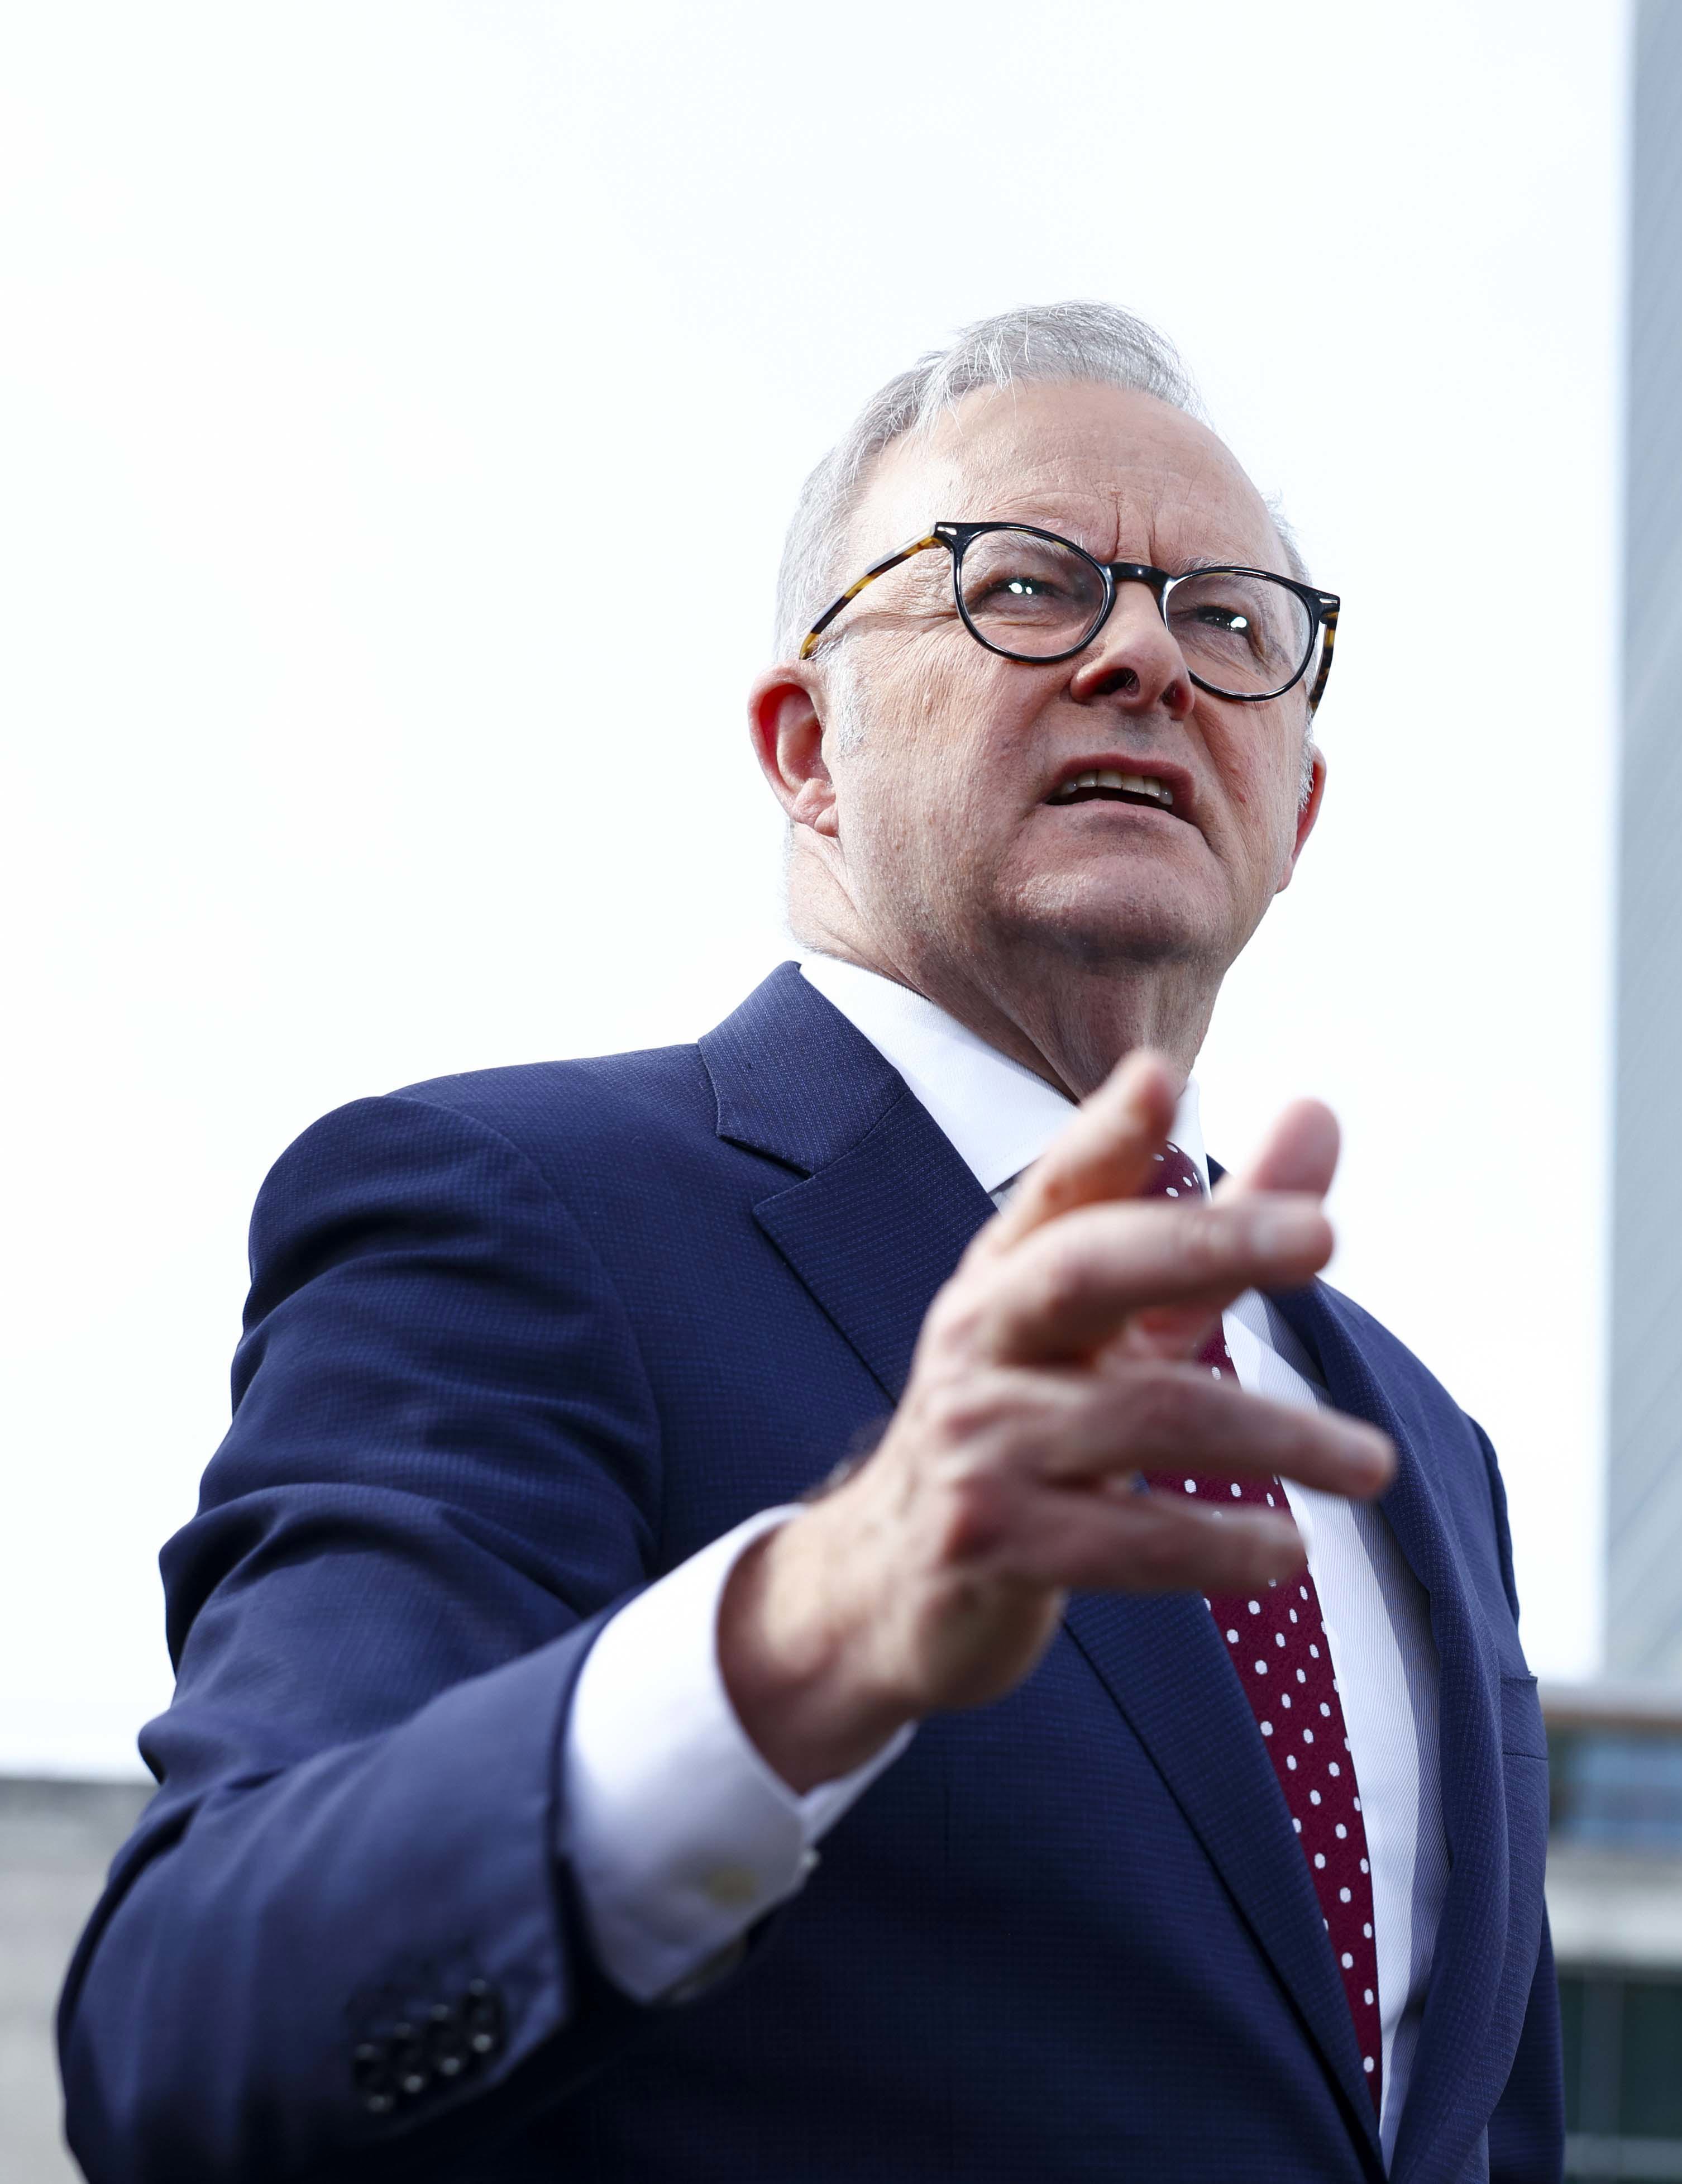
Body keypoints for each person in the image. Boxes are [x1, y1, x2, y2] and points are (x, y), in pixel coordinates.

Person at [59, 302, 1561, 2183]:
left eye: (1230, 623)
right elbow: (193, 2033)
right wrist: (811, 1627)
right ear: (806, 750)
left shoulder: (1429, 1447)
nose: (1140, 658)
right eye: (1025, 585)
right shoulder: (513, 1213)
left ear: (1299, 807)